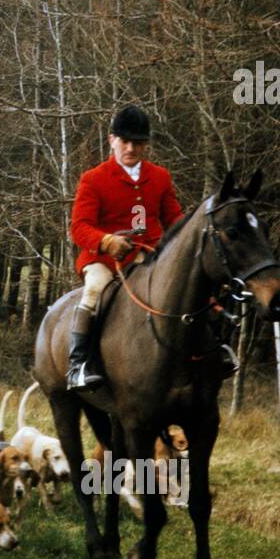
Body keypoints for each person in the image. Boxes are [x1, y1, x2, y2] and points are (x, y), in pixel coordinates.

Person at [66, 105, 183, 391]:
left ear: (146, 144)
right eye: (125, 141)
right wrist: (107, 241)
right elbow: (79, 228)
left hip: (149, 256)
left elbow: (174, 220)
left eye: (138, 143)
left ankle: (210, 353)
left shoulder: (160, 177)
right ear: (112, 140)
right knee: (94, 291)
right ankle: (78, 365)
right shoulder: (93, 179)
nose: (131, 148)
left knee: (185, 286)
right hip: (103, 260)